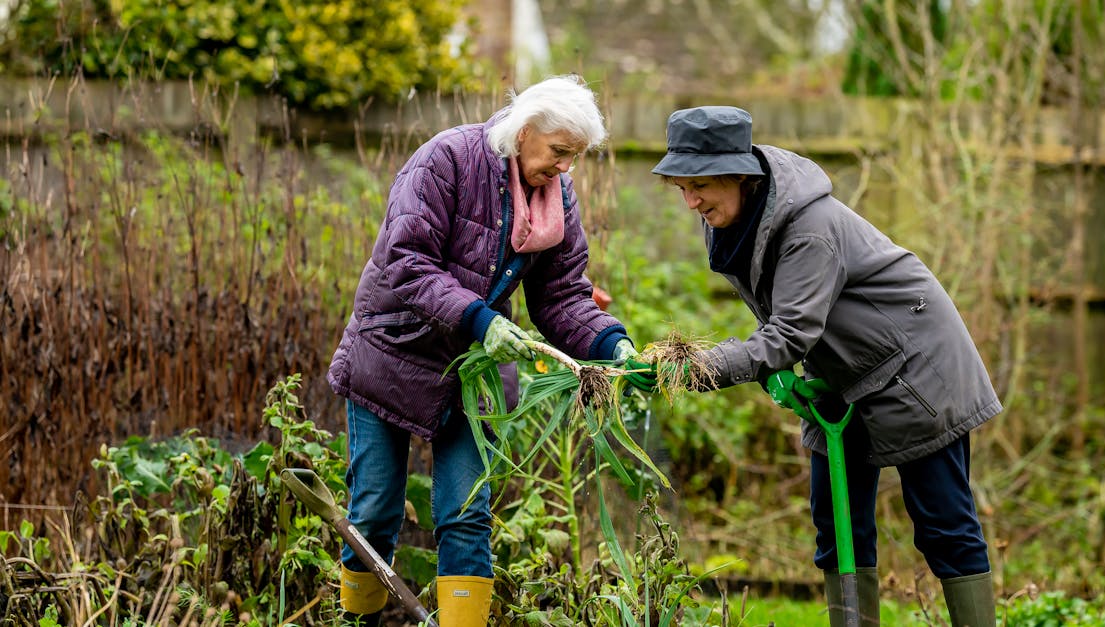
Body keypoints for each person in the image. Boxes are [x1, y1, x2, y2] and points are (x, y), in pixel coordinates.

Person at [625, 106, 1000, 627]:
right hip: (841, 376)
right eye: (682, 188)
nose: (691, 202)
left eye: (701, 186)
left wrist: (699, 366)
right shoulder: (735, 220)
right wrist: (776, 367)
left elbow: (790, 333)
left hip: (915, 369)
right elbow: (786, 318)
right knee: (837, 525)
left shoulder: (809, 228)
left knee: (944, 526)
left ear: (741, 175)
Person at [326, 75, 638, 627]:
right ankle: (356, 621)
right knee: (374, 509)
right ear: (524, 133)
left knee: (466, 513)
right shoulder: (446, 159)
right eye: (559, 152)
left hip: (471, 369)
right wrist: (480, 317)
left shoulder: (555, 196)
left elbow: (563, 294)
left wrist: (615, 347)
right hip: (392, 350)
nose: (566, 168)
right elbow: (405, 260)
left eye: (575, 157)